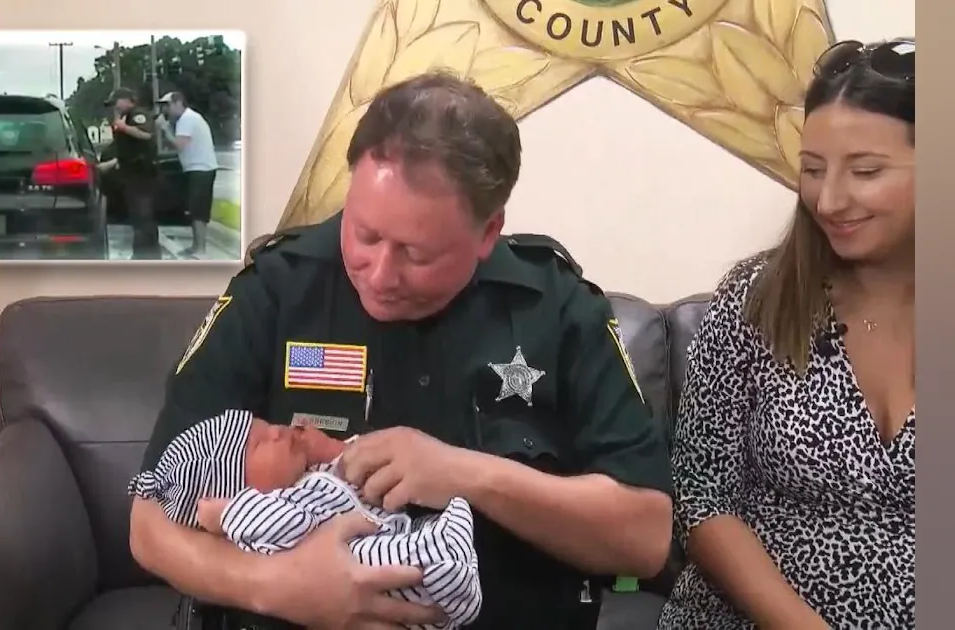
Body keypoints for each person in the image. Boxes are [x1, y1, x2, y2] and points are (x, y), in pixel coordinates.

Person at [129, 71, 673, 630]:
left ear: (488, 233)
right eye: (364, 234)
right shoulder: (276, 290)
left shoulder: (558, 310)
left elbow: (646, 537)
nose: (380, 274)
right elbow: (148, 524)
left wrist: (467, 475)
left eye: (416, 253)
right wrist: (281, 587)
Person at [657, 38, 915, 630]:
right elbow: (701, 496)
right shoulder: (758, 299)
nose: (830, 199)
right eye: (813, 170)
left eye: (867, 171)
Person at [129, 409, 482, 629]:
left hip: (389, 530)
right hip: (364, 570)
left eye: (265, 425)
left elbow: (357, 469)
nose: (277, 431)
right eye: (257, 444)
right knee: (393, 564)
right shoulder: (262, 515)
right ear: (234, 491)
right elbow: (279, 524)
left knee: (407, 545)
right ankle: (441, 560)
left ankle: (443, 556)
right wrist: (226, 515)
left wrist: (333, 451)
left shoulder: (309, 476)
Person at [155, 91, 219, 257]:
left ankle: (200, 249)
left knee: (198, 210)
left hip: (201, 169)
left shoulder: (187, 119)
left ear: (178, 103)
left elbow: (179, 145)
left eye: (167, 106)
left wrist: (164, 128)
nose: (165, 110)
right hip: (195, 168)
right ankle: (196, 246)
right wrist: (168, 126)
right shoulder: (186, 119)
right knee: (193, 209)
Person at [105, 87, 162, 259]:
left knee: (143, 216)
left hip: (142, 174)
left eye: (116, 103)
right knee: (138, 216)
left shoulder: (138, 114)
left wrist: (124, 127)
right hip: (131, 173)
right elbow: (128, 149)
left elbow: (146, 134)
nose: (114, 107)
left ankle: (146, 256)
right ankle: (144, 254)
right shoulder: (126, 117)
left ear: (126, 100)